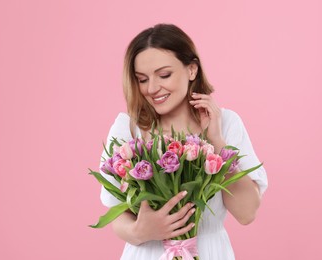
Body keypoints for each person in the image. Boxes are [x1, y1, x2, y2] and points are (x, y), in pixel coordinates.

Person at [99, 23, 268, 260]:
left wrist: (216, 140)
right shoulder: (128, 129)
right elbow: (117, 217)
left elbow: (246, 213)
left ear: (191, 70)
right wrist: (141, 231)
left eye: (164, 75)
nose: (152, 88)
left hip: (209, 253)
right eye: (142, 79)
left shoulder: (226, 122)